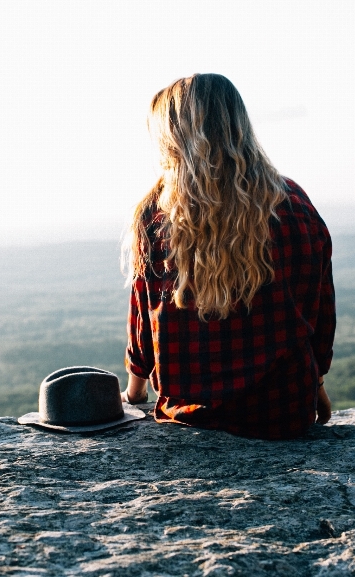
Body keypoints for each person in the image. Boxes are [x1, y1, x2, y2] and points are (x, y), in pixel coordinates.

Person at [122, 73, 335, 440]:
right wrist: (315, 388)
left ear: (172, 139)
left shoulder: (156, 214)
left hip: (190, 417)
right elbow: (316, 311)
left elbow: (145, 324)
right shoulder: (293, 204)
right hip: (283, 413)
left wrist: (134, 395)